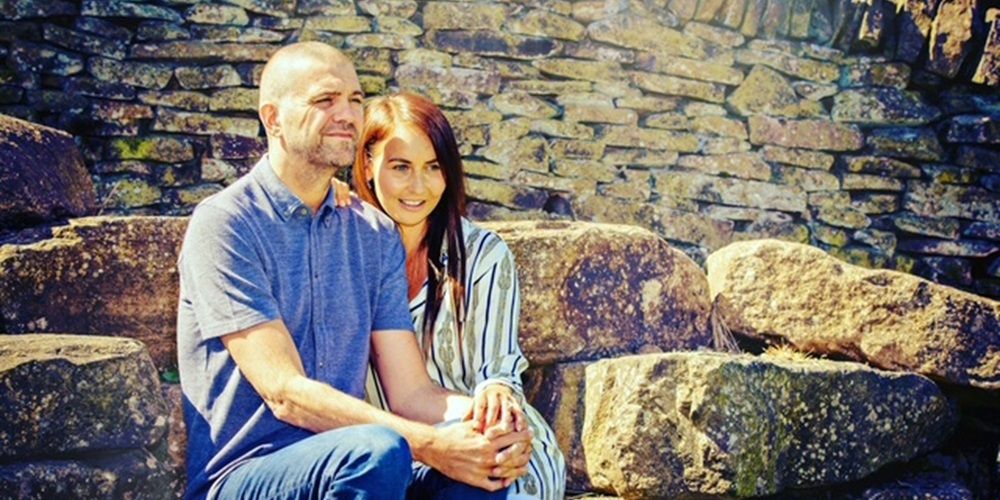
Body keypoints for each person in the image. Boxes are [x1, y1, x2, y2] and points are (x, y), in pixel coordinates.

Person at [176, 42, 532, 500]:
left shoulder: (373, 234)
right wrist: (432, 446)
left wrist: (491, 427)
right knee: (377, 451)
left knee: (479, 471)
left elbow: (411, 394)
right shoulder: (226, 224)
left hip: (357, 466)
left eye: (355, 100)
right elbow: (285, 393)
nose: (347, 114)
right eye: (325, 100)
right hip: (247, 475)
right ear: (273, 118)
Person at [350, 92, 567, 499]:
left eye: (433, 167)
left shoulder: (483, 255)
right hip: (394, 454)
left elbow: (497, 373)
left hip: (486, 440)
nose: (418, 186)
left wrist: (497, 403)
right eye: (401, 167)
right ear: (367, 164)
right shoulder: (343, 252)